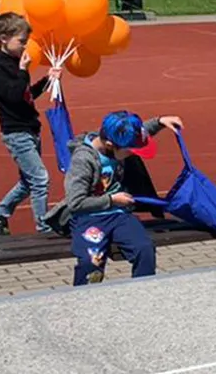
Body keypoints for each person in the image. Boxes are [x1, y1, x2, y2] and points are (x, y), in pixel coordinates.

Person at [43, 111, 180, 286]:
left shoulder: (116, 141)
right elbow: (76, 203)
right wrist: (112, 200)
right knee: (91, 263)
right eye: (129, 150)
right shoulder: (83, 160)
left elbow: (138, 132)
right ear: (110, 145)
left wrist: (160, 122)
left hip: (119, 215)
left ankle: (143, 289)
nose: (132, 154)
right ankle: (84, 295)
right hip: (89, 217)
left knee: (144, 249)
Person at [0, 13, 64, 237]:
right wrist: (22, 70)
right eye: (21, 41)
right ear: (3, 38)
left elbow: (27, 95)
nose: (25, 46)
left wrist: (48, 80)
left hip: (30, 127)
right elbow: (14, 95)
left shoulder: (14, 62)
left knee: (28, 181)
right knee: (40, 179)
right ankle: (43, 227)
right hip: (15, 131)